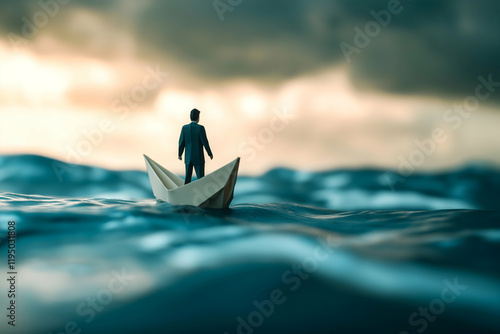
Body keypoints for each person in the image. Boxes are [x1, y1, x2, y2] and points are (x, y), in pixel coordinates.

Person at [178, 108, 213, 184]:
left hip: (188, 157)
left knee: (187, 179)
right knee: (201, 179)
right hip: (198, 156)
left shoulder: (184, 128)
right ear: (198, 117)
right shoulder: (200, 128)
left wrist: (180, 154)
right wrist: (209, 153)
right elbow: (205, 142)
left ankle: (185, 193)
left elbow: (181, 143)